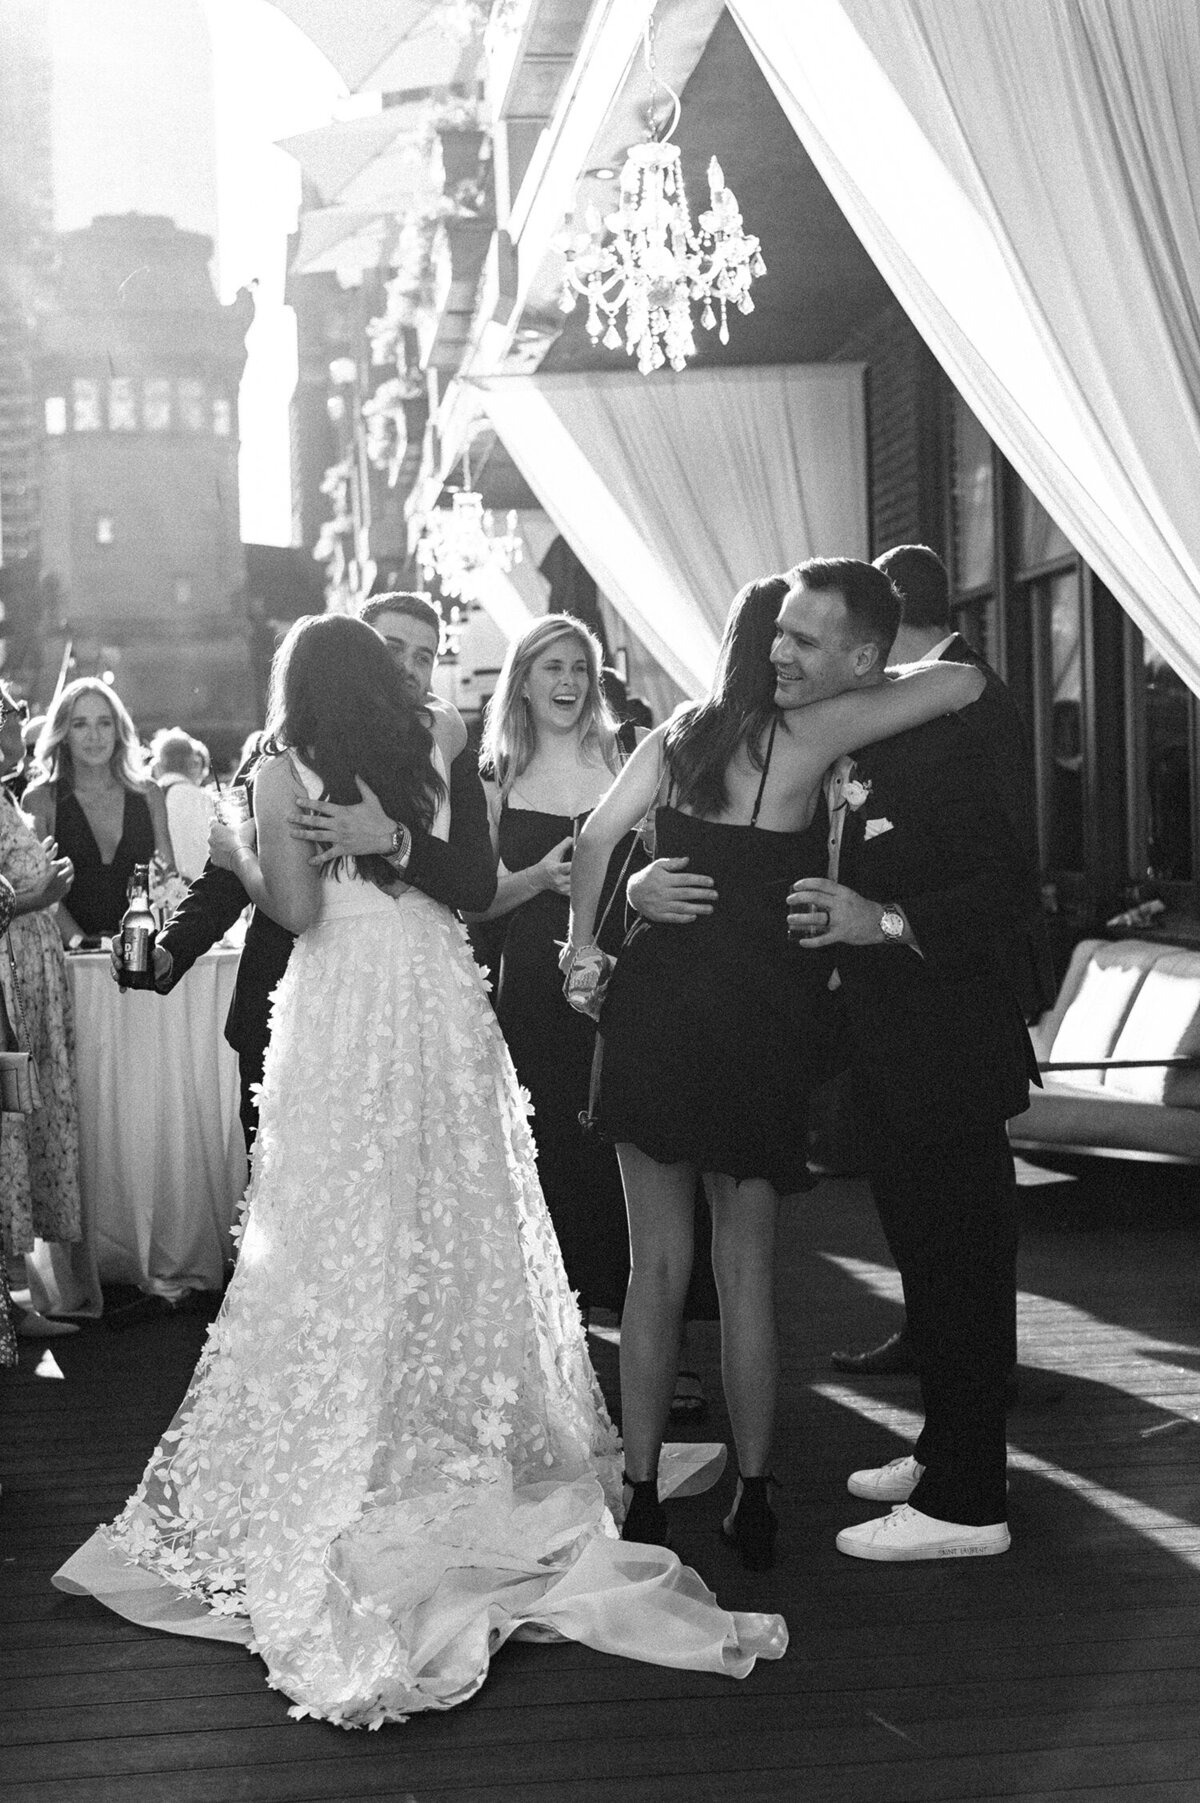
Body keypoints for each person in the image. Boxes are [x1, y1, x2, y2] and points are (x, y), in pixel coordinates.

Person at [55, 613, 785, 1724]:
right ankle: (447, 1421)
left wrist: (247, 851)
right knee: (455, 1211)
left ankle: (368, 1424)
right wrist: (392, 839)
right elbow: (474, 882)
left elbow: (294, 909)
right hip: (436, 993)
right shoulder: (438, 733)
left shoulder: (279, 765)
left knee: (336, 1221)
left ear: (294, 684)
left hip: (346, 1001)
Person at [564, 570, 983, 1568]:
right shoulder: (811, 738)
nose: (790, 659)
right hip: (757, 1024)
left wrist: (584, 945)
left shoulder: (676, 737)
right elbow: (963, 684)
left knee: (652, 1269)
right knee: (745, 1272)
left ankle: (641, 1496)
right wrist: (866, 684)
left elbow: (591, 839)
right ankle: (755, 1497)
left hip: (657, 1014)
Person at [782, 559, 1039, 1560]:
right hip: (888, 1047)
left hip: (950, 1041)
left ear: (864, 648)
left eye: (802, 639)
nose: (781, 653)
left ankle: (970, 1506)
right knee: (929, 1273)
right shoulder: (884, 710)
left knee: (965, 1268)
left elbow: (1009, 887)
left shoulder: (971, 712)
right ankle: (946, 1453)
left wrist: (881, 920)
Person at [115, 593, 497, 1151]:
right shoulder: (283, 756)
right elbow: (225, 877)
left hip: (417, 999)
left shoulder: (442, 746)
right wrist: (173, 948)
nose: (408, 670)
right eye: (393, 650)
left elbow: (476, 885)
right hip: (282, 1006)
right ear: (359, 646)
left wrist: (394, 842)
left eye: (424, 657)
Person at [829, 544, 1054, 1382]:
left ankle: (976, 1386)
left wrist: (887, 919)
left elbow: (1004, 867)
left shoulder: (966, 698)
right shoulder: (902, 702)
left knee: (968, 1216)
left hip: (962, 985)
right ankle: (934, 1349)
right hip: (896, 1004)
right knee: (917, 1205)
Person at [470, 615, 640, 1318]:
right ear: (525, 680)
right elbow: (477, 902)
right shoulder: (494, 773)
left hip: (626, 969)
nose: (569, 682)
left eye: (580, 667)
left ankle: (651, 1324)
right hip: (535, 983)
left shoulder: (625, 753)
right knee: (548, 1148)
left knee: (629, 1139)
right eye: (553, 668)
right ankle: (558, 1328)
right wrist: (539, 876)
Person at [0, 683, 83, 1338]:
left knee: (20, 1130)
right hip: (5, 985)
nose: (19, 725)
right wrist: (33, 900)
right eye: (10, 714)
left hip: (29, 983)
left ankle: (14, 1299)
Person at [24, 678, 174, 945]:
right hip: (70, 958)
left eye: (104, 723)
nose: (94, 736)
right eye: (80, 724)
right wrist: (83, 945)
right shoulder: (40, 800)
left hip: (140, 954)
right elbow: (42, 891)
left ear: (118, 730)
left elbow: (166, 883)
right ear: (64, 733)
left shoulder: (149, 794)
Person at [150, 728, 216, 881]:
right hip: (204, 893)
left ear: (160, 763)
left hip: (162, 894)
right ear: (192, 763)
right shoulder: (205, 800)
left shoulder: (149, 801)